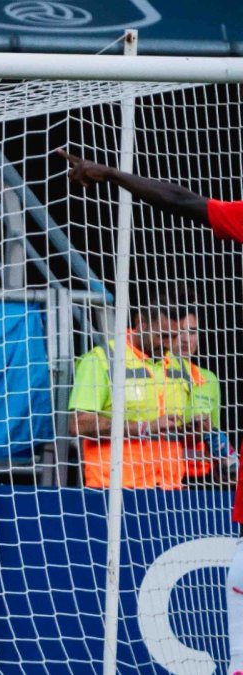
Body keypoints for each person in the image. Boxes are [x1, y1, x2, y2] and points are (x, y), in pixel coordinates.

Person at [60, 148, 243, 672]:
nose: (184, 337)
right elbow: (187, 202)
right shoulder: (107, 357)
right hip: (111, 493)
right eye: (176, 326)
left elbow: (187, 202)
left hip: (176, 488)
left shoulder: (194, 375)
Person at [67, 281, 218, 490]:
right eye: (162, 336)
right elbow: (77, 424)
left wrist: (194, 432)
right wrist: (145, 427)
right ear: (142, 322)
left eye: (174, 336)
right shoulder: (102, 360)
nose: (168, 344)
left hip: (170, 490)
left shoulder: (182, 368)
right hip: (113, 491)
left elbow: (187, 444)